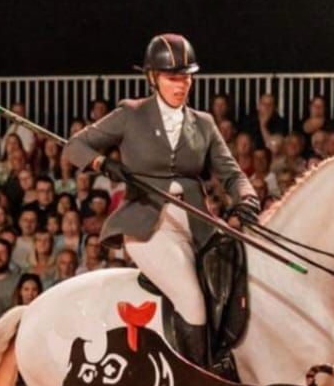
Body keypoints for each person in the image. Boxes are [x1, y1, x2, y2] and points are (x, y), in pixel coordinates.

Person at [64, 33, 258, 367]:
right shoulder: (130, 114)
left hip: (198, 225)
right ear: (154, 78)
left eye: (186, 77)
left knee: (235, 281)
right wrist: (103, 163)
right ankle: (198, 383)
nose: (181, 85)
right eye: (172, 78)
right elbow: (75, 146)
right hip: (147, 225)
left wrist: (246, 198)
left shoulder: (204, 123)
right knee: (192, 299)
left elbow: (232, 174)